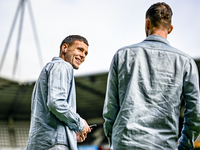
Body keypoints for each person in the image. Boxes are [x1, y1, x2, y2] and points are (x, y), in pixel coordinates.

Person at [103, 2, 200, 150]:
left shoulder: (123, 55)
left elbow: (111, 107)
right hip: (163, 145)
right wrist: (185, 145)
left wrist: (114, 140)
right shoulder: (186, 62)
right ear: (170, 28)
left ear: (147, 23)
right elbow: (195, 113)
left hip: (125, 143)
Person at [26, 35, 91, 150]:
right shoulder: (62, 66)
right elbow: (56, 103)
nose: (83, 56)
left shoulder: (49, 68)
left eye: (85, 53)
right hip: (54, 144)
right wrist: (80, 123)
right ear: (64, 48)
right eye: (79, 49)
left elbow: (49, 114)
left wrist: (69, 133)